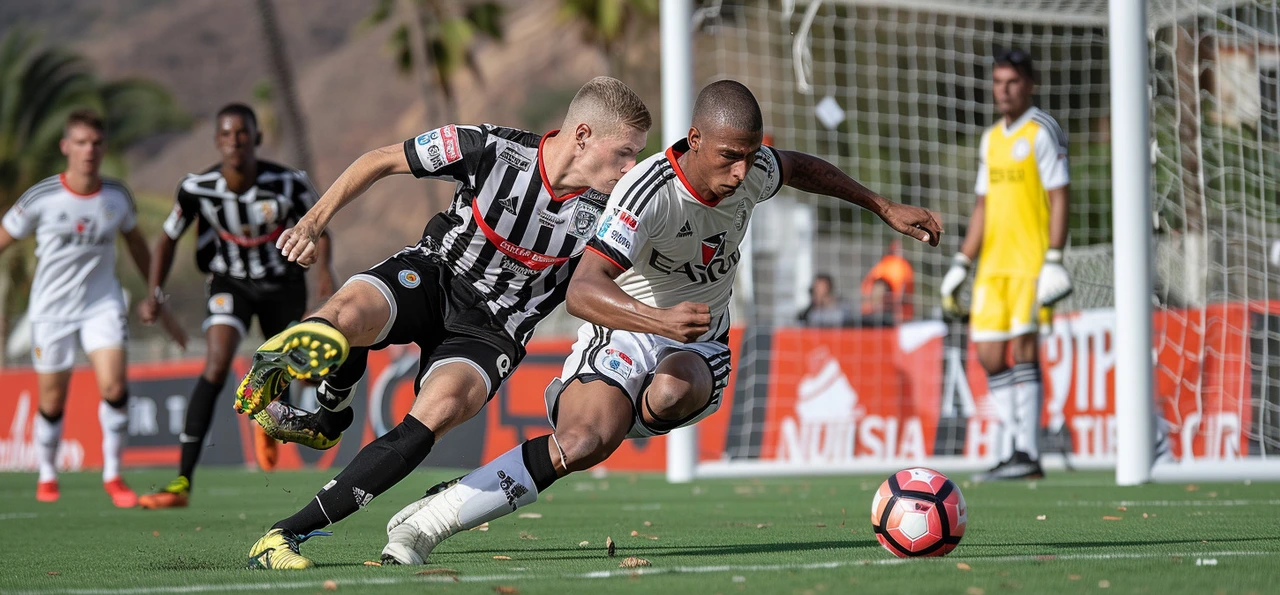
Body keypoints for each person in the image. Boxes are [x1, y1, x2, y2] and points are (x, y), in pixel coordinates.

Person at [381, 80, 942, 566]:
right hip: (624, 327)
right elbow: (583, 290)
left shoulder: (752, 171)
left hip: (698, 341)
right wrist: (657, 319)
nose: (741, 171)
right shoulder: (648, 192)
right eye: (728, 156)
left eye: (749, 155)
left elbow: (799, 167)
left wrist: (882, 206)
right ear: (694, 139)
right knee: (580, 443)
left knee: (672, 391)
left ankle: (611, 412)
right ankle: (430, 520)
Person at [240, 77, 652, 569]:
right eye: (624, 154)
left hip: (494, 328)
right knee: (348, 314)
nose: (631, 170)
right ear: (582, 135)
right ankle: (314, 398)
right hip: (435, 273)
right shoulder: (490, 149)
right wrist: (311, 223)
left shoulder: (615, 210)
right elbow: (379, 160)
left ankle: (284, 533)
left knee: (437, 415)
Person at [135, 103, 334, 508]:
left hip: (283, 283)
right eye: (226, 134)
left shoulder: (290, 183)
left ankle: (269, 410)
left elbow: (321, 229)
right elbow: (168, 238)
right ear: (216, 142)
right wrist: (154, 291)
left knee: (302, 371)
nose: (234, 141)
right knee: (216, 363)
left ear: (257, 138)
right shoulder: (196, 188)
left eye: (242, 133)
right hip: (231, 283)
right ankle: (182, 483)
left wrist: (324, 273)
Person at [0, 110, 186, 506]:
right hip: (50, 311)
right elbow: (4, 237)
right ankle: (47, 474)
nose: (89, 151)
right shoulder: (42, 197)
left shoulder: (116, 197)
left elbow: (136, 244)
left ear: (104, 148)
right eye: (81, 143)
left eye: (96, 143)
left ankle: (113, 475)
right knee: (51, 400)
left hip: (101, 305)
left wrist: (156, 295)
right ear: (66, 147)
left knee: (114, 386)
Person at [940, 49, 1071, 481]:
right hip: (992, 269)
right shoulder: (990, 139)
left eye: (1012, 82)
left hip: (1031, 264)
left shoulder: (1041, 131)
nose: (1003, 90)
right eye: (998, 82)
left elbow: (1059, 197)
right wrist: (962, 261)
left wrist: (1054, 257)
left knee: (1025, 348)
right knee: (990, 355)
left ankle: (1028, 453)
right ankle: (1016, 448)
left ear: (1029, 84)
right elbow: (982, 207)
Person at [860, 240, 914, 325]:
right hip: (895, 313)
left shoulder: (882, 265)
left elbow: (867, 286)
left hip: (883, 312)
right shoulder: (902, 266)